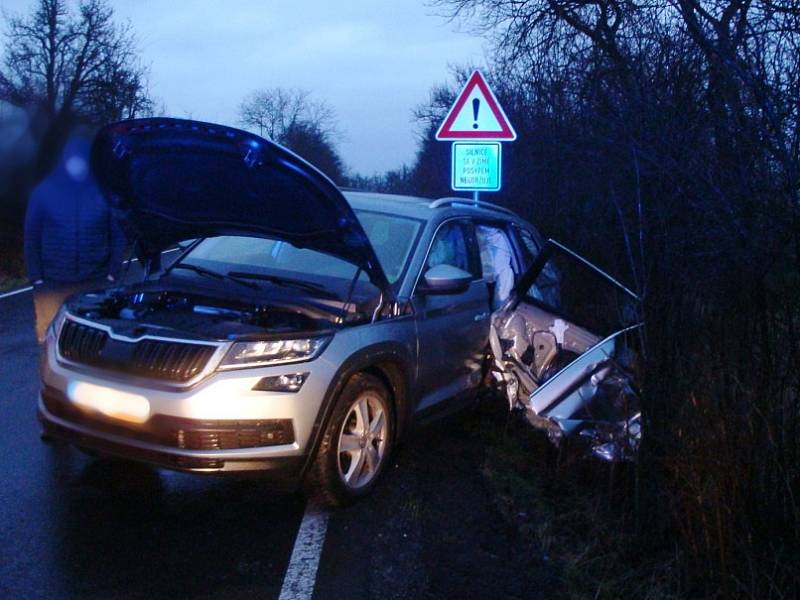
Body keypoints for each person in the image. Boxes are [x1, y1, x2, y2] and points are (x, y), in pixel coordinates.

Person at [24, 133, 125, 342]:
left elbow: (117, 234)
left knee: (94, 337)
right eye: (73, 160)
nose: (77, 166)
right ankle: (50, 374)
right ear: (65, 160)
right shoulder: (44, 192)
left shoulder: (103, 194)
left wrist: (112, 273)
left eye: (82, 161)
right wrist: (37, 277)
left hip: (95, 281)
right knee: (49, 337)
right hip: (52, 282)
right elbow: (31, 237)